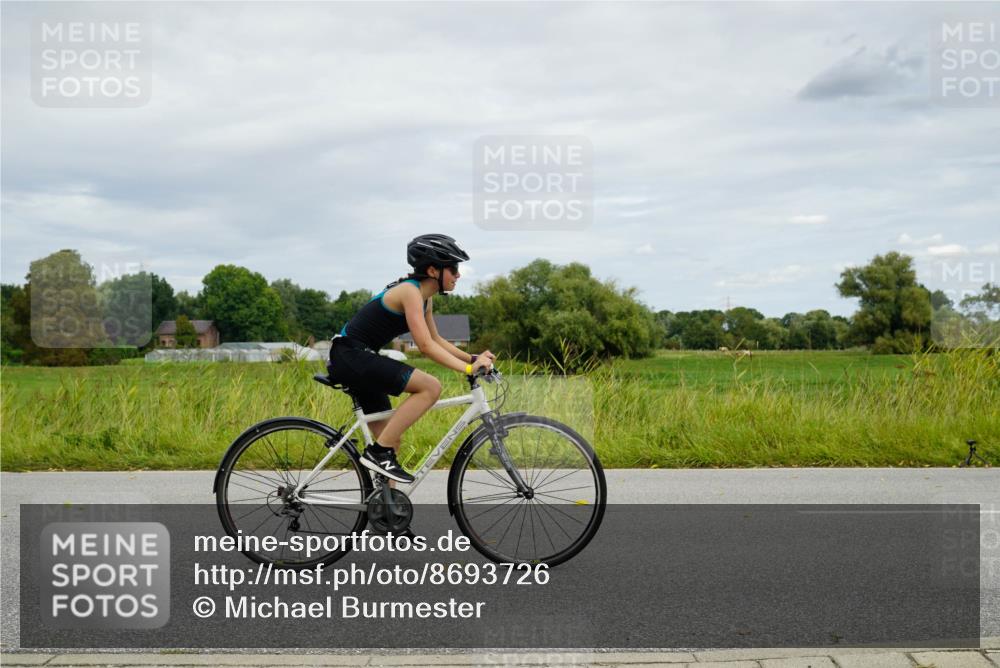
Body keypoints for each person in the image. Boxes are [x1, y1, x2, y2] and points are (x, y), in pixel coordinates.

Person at [327, 234, 495, 485]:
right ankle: (378, 453)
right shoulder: (409, 292)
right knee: (430, 387)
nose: (458, 274)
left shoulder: (424, 299)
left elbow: (436, 339)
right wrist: (469, 368)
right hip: (350, 355)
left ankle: (388, 514)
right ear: (432, 270)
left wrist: (471, 357)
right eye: (453, 268)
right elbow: (425, 346)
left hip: (359, 357)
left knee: (390, 439)